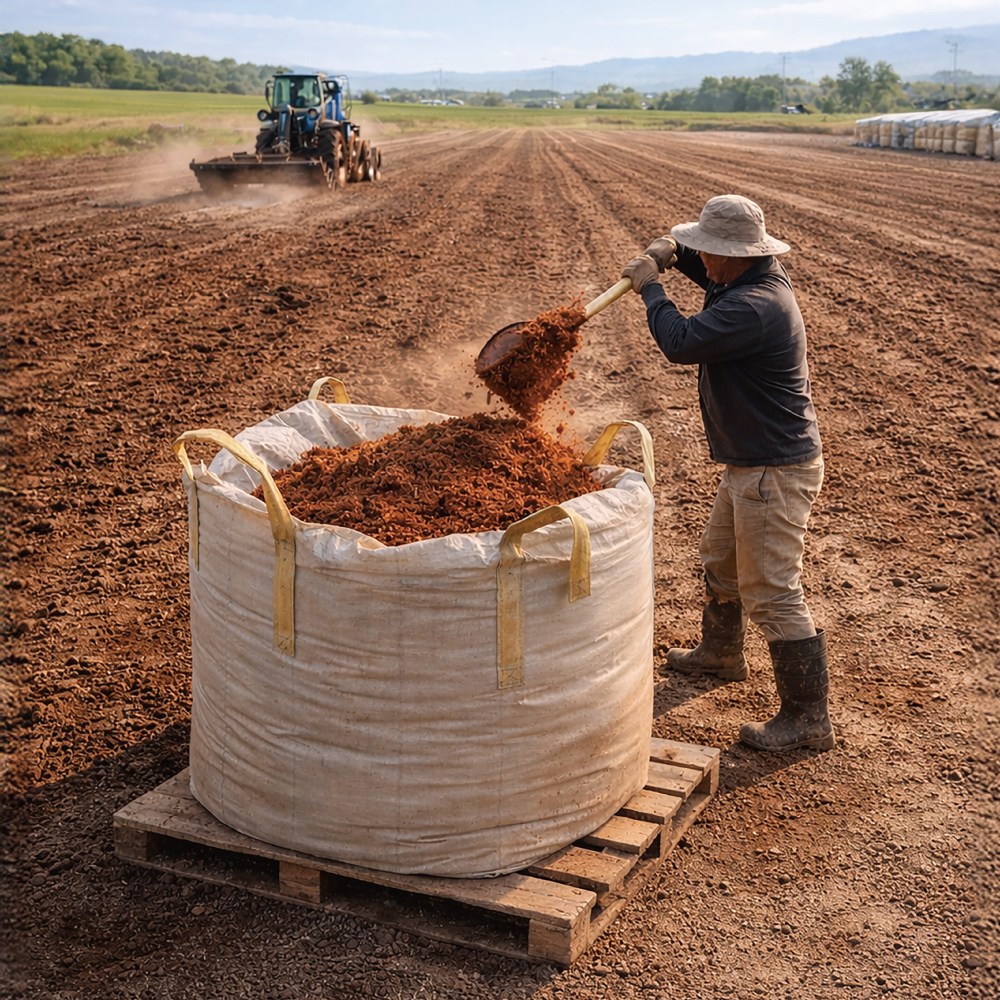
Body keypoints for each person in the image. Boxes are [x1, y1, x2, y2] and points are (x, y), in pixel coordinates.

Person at [620, 194, 834, 752]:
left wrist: (651, 287)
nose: (703, 259)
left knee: (772, 591)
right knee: (721, 558)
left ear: (736, 256)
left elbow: (680, 342)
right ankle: (721, 654)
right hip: (752, 461)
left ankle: (807, 718)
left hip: (773, 469)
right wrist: (671, 253)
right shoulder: (752, 277)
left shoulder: (754, 306)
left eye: (709, 252)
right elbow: (708, 269)